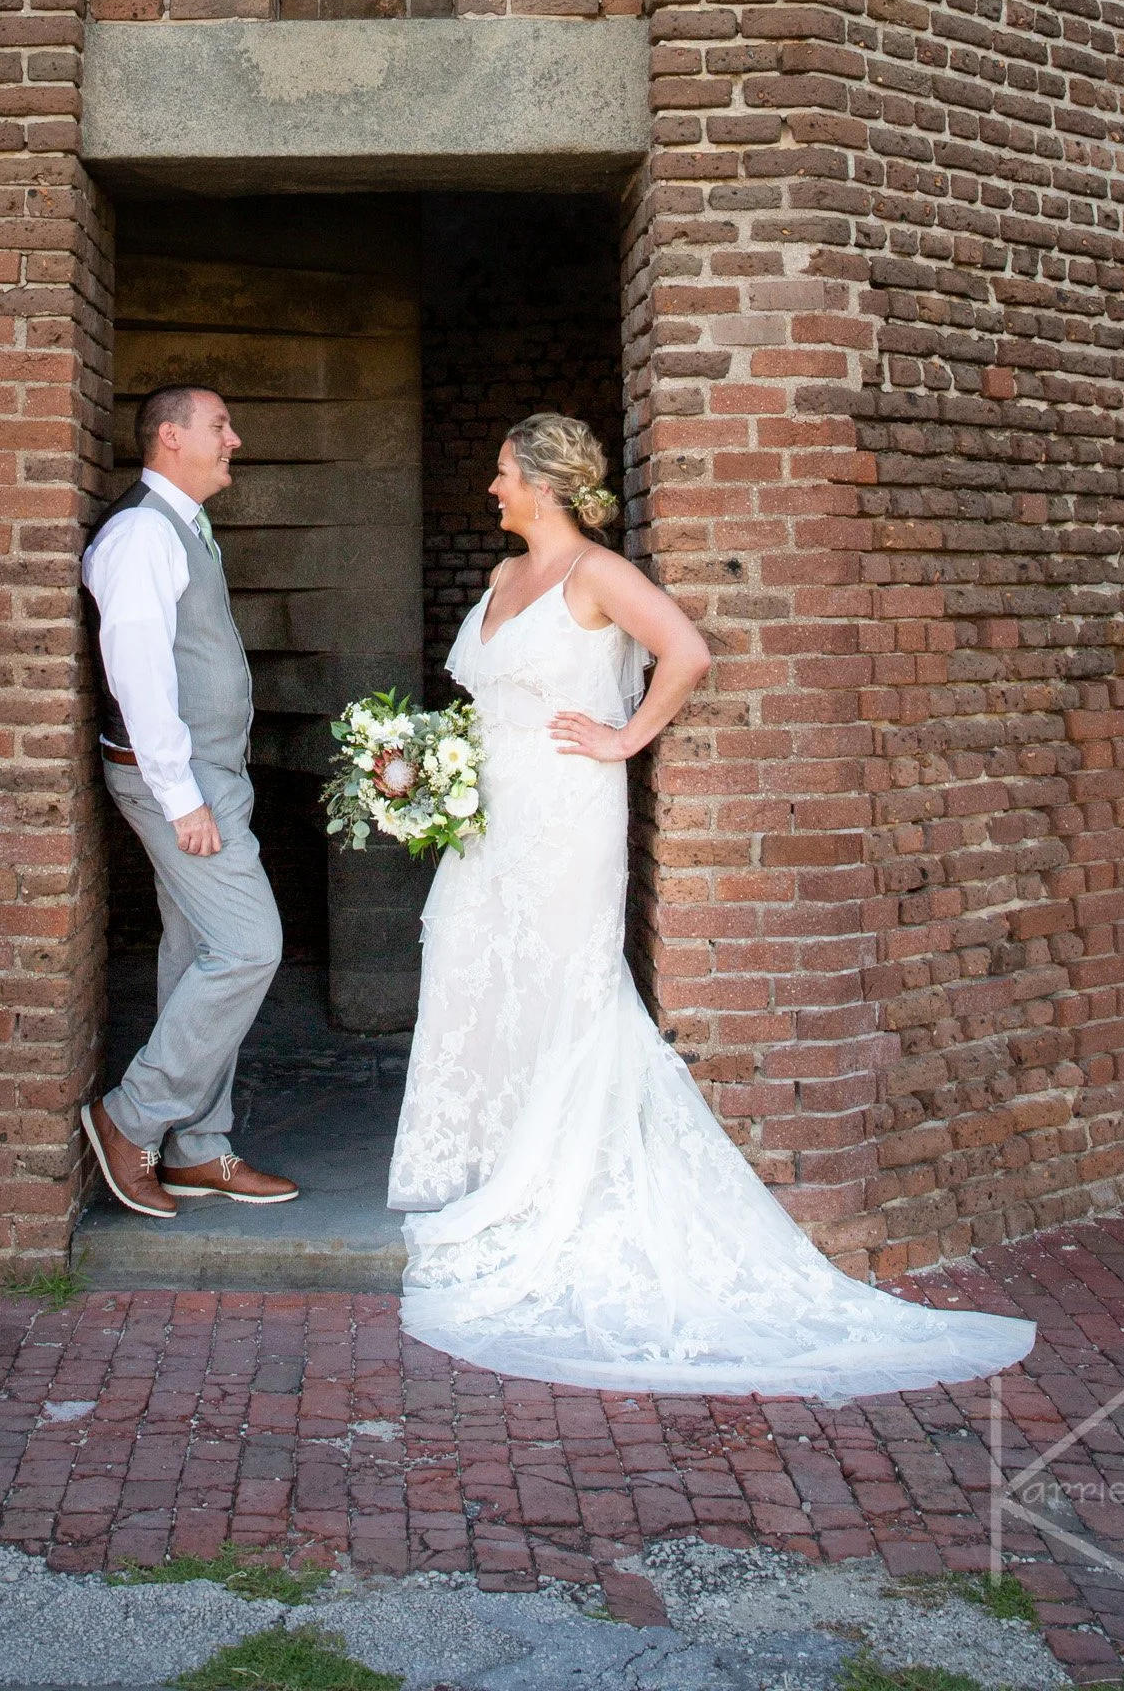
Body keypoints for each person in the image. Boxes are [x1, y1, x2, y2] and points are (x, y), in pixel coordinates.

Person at [388, 412, 1035, 1399]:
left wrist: (625, 737)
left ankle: (556, 1182)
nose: (491, 488)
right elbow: (483, 704)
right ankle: (493, 1159)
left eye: (502, 473)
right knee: (474, 967)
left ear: (543, 483)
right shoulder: (496, 580)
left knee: (561, 982)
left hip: (565, 810)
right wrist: (426, 776)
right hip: (487, 817)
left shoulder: (596, 575)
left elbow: (684, 652)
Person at [79, 385, 298, 1219]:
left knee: (196, 951)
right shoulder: (140, 533)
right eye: (219, 427)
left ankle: (198, 1147)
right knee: (249, 946)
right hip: (178, 780)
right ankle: (131, 1117)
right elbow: (136, 673)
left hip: (206, 776)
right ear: (171, 438)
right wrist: (183, 797)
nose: (234, 439)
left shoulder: (181, 528)